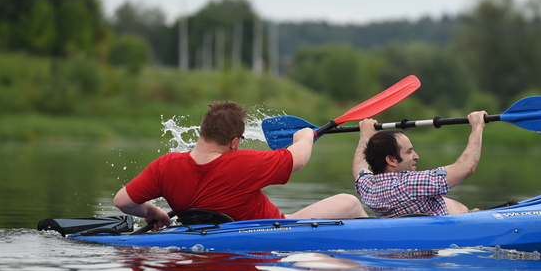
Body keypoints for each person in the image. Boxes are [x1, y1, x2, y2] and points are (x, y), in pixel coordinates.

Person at [114, 101, 368, 229]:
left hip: (202, 235)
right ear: (235, 142)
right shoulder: (244, 163)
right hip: (272, 231)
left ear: (202, 132)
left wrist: (153, 213)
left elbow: (123, 202)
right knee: (350, 203)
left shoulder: (165, 166)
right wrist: (303, 137)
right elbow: (298, 158)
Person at [352, 111, 487, 217]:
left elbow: (359, 167)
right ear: (391, 160)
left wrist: (365, 137)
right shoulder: (411, 184)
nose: (416, 156)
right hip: (464, 225)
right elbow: (466, 167)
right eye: (409, 151)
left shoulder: (369, 188)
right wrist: (477, 127)